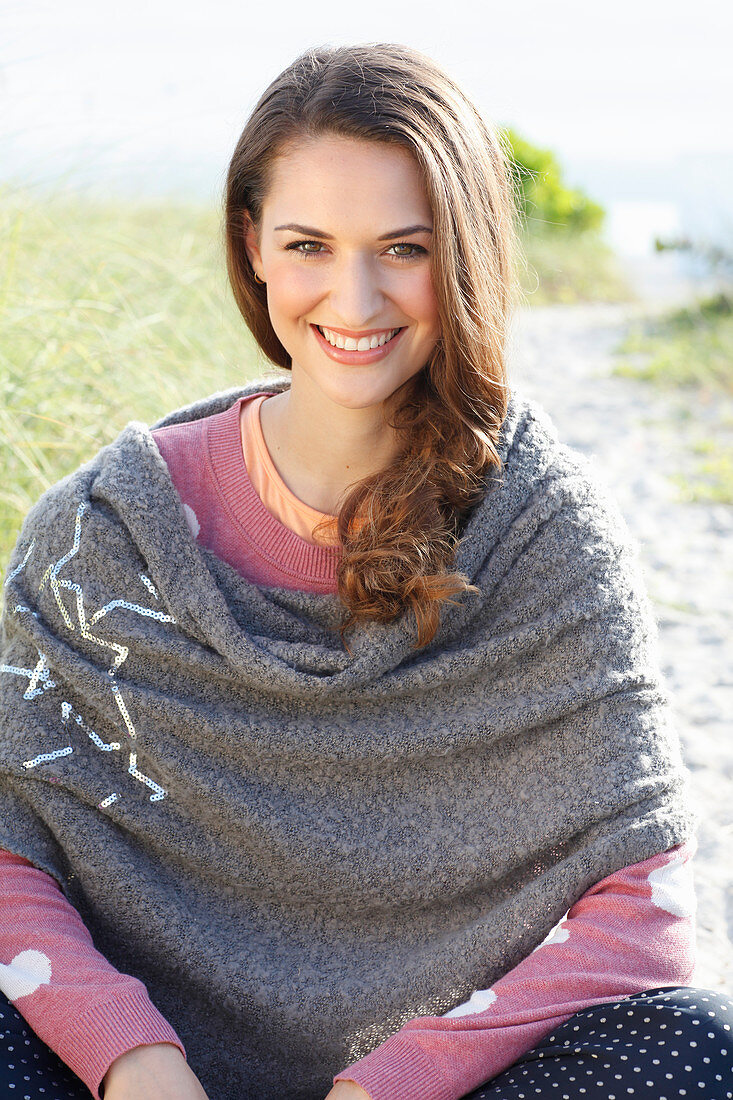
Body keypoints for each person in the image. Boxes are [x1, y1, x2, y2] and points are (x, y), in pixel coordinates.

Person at [0, 41, 731, 1100]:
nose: (354, 296)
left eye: (404, 247)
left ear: (466, 253)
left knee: (697, 1049)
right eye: (308, 243)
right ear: (251, 244)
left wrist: (391, 1083)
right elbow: (11, 842)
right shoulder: (101, 529)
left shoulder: (541, 527)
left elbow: (645, 904)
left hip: (439, 1089)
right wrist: (132, 1059)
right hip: (134, 1083)